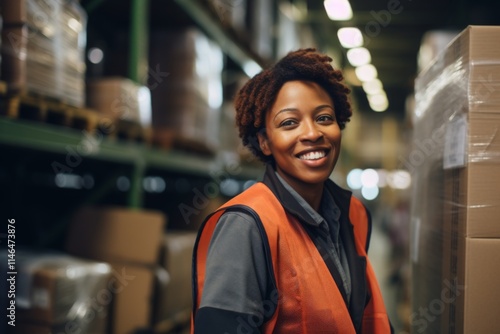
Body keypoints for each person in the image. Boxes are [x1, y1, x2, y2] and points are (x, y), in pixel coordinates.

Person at [191, 48, 393, 333]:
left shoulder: (350, 215)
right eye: (289, 123)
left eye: (324, 118)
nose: (312, 133)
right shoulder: (247, 224)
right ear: (264, 142)